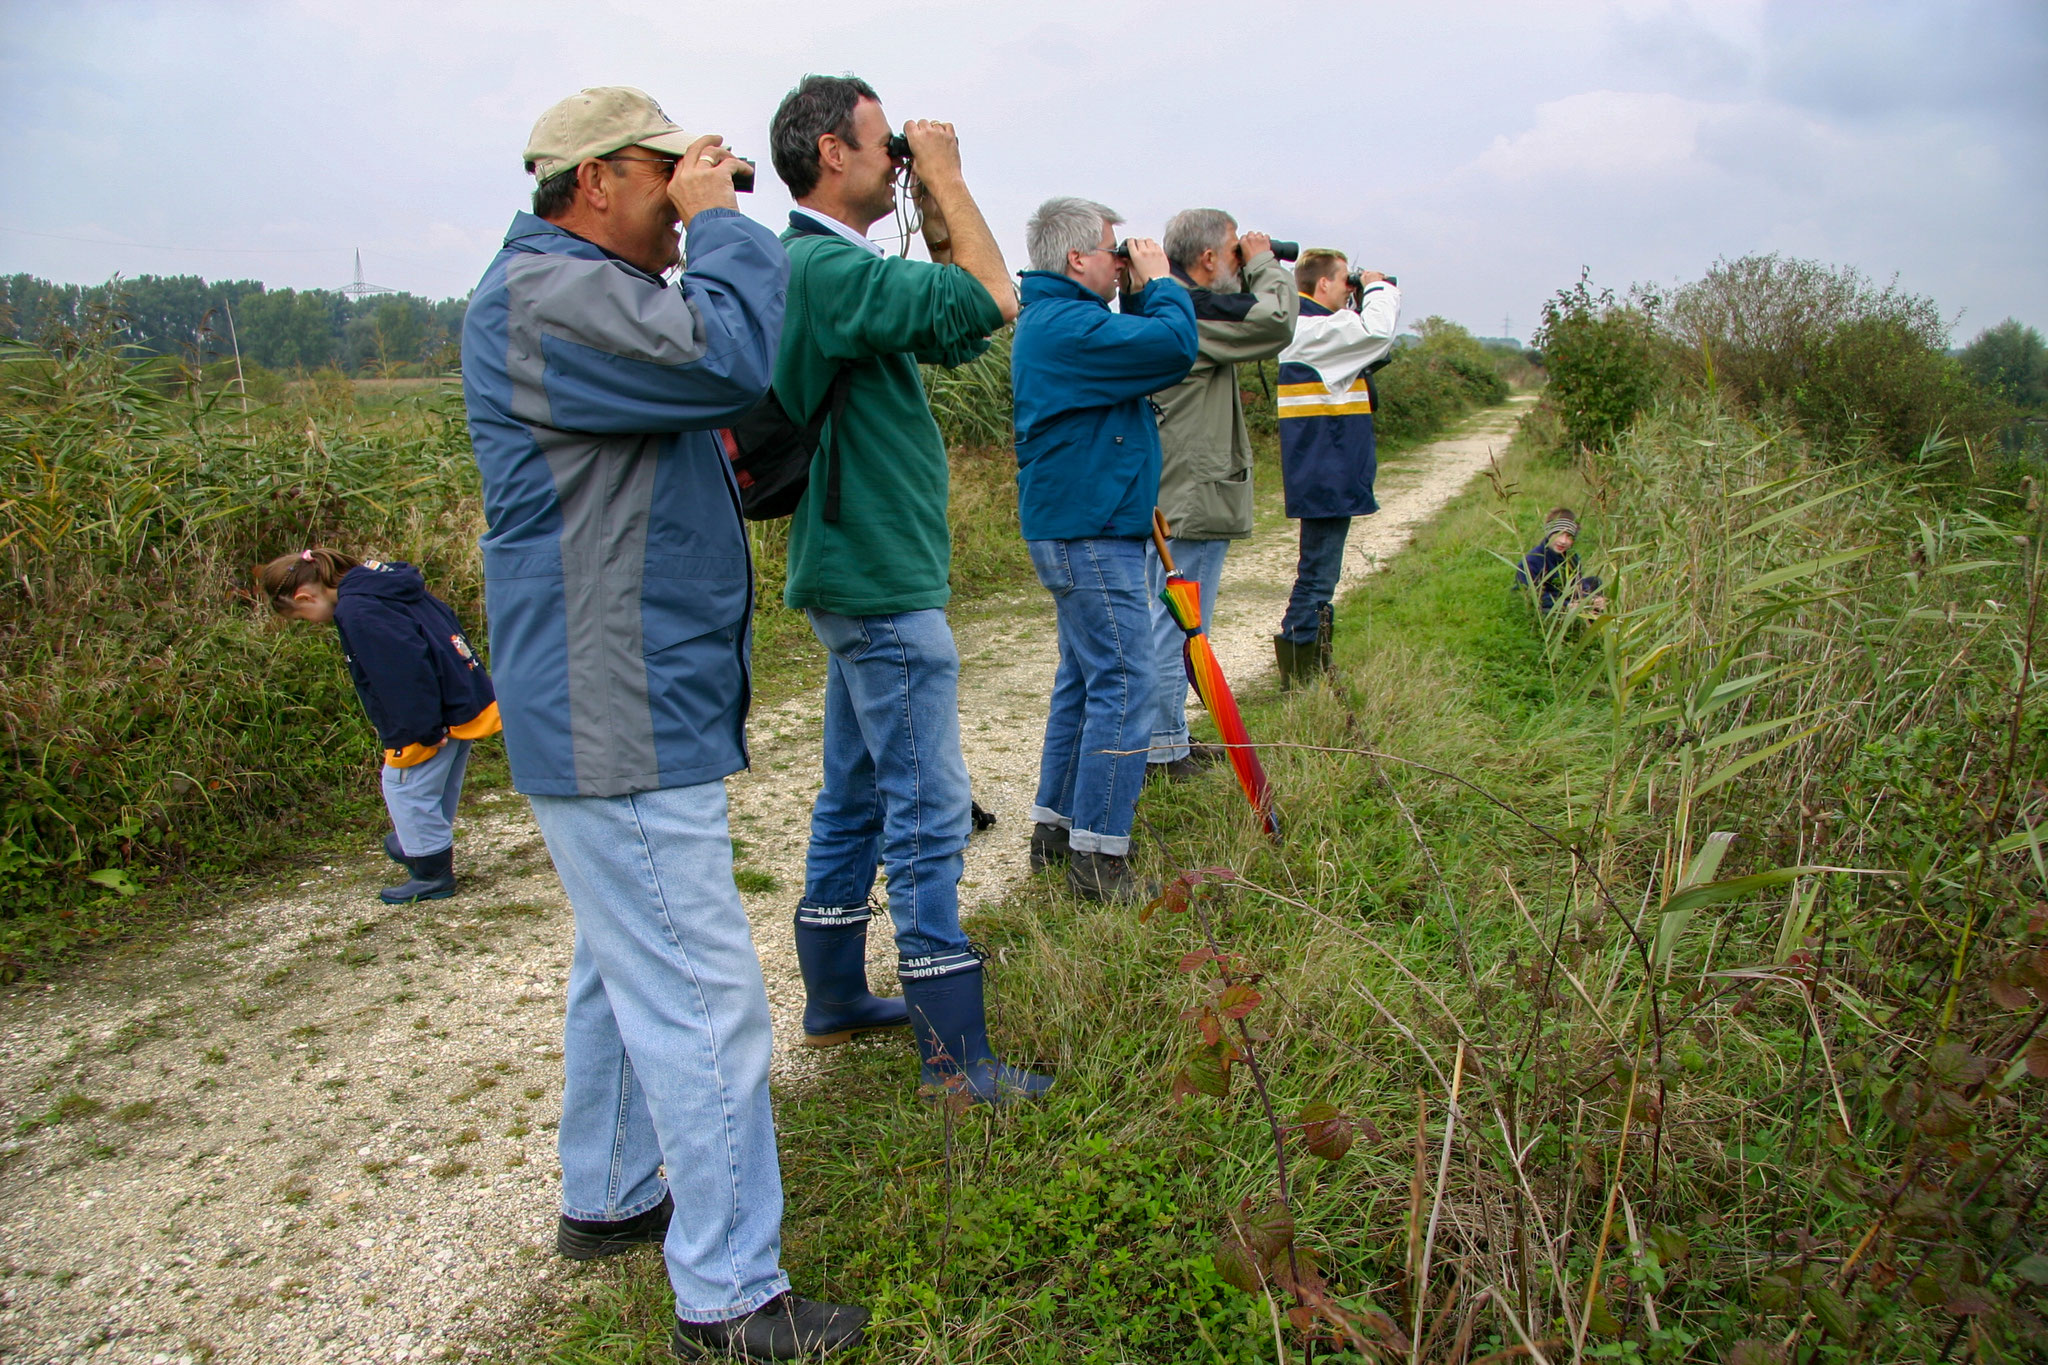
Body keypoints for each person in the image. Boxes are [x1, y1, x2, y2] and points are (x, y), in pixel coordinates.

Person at [461, 86, 866, 1359]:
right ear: (592, 180)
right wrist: (729, 226)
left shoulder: (588, 297)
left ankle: (611, 1187)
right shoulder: (548, 293)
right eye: (668, 170)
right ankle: (733, 1294)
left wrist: (708, 228)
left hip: (617, 690)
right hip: (613, 698)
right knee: (699, 995)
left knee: (619, 958)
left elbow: (728, 406)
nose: (698, 189)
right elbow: (726, 358)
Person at [766, 73, 1051, 1104]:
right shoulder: (823, 267)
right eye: (885, 149)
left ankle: (836, 996)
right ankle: (951, 1053)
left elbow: (957, 323)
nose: (896, 164)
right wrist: (947, 173)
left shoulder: (828, 268)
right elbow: (995, 297)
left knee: (852, 791)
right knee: (928, 803)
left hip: (860, 565)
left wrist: (928, 199)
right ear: (830, 152)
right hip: (877, 576)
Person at [1010, 198, 1198, 902]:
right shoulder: (1070, 325)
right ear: (1076, 259)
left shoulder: (1062, 321)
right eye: (1114, 252)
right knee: (1127, 684)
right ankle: (1101, 861)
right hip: (1089, 535)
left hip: (1082, 525)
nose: (1123, 262)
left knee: (1084, 682)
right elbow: (1174, 348)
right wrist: (1162, 286)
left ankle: (1057, 833)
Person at [1145, 209, 1299, 779]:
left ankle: (1172, 737)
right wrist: (1265, 261)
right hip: (1192, 494)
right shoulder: (1194, 314)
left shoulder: (1169, 306)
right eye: (1234, 251)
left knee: (1176, 621)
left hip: (1175, 488)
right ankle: (1162, 748)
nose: (1242, 259)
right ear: (1208, 259)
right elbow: (1277, 321)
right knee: (1180, 624)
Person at [258, 548, 500, 904]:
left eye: (301, 616)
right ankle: (418, 842)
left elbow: (402, 672)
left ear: (304, 596)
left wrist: (422, 728)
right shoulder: (385, 584)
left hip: (428, 715)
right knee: (435, 784)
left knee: (404, 787)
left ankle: (430, 872)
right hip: (460, 697)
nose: (310, 623)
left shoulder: (359, 610)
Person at [1272, 250, 1401, 686]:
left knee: (1318, 572)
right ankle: (1301, 675)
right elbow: (1379, 331)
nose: (1352, 290)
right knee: (1318, 575)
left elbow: (1373, 351)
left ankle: (1310, 664)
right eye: (1346, 281)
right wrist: (1379, 286)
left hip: (1319, 466)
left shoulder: (1309, 330)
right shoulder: (1319, 329)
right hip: (1326, 468)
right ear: (1322, 285)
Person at [1516, 507, 1607, 615]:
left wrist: (1592, 599)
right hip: (1547, 603)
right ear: (1549, 533)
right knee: (1545, 612)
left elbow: (1577, 585)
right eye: (1559, 534)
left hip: (1564, 597)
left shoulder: (1571, 557)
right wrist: (1566, 605)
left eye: (1569, 536)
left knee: (1595, 582)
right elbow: (1533, 595)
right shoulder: (1532, 560)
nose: (1563, 541)